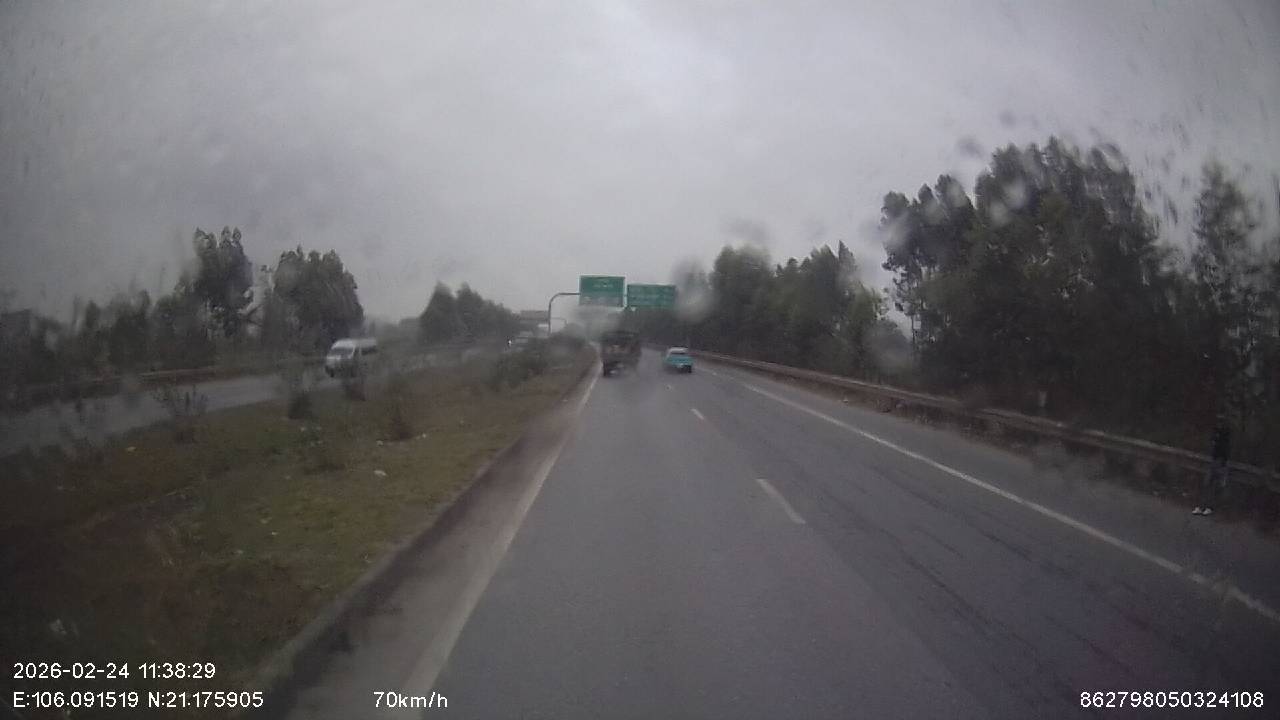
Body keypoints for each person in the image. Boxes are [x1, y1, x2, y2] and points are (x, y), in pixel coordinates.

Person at [1192, 413, 1231, 516]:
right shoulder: (1215, 432)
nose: (1219, 424)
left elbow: (1225, 449)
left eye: (1221, 422)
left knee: (1214, 485)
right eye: (1218, 421)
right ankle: (1201, 506)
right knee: (1207, 484)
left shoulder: (1225, 434)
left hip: (1220, 461)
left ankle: (1209, 507)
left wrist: (1223, 462)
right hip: (1213, 460)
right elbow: (1211, 445)